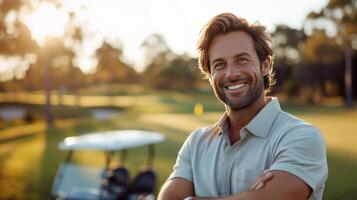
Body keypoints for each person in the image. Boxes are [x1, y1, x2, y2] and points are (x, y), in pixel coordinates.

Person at [158, 13, 328, 200]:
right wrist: (249, 196)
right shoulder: (195, 143)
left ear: (265, 65)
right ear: (210, 75)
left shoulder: (301, 137)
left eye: (241, 60)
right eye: (220, 65)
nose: (231, 73)